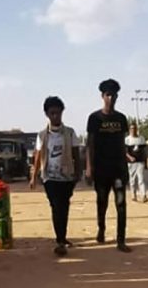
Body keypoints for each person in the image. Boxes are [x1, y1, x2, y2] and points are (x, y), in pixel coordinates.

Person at [31, 96, 83, 257]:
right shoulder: (41, 136)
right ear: (47, 114)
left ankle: (62, 236)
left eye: (58, 113)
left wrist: (79, 172)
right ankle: (60, 241)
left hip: (67, 177)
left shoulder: (70, 133)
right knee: (55, 206)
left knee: (64, 206)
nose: (55, 116)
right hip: (49, 178)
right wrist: (34, 176)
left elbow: (76, 154)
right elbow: (38, 157)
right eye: (52, 113)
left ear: (62, 113)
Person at [86, 79, 133, 253]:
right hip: (101, 169)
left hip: (118, 169)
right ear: (102, 96)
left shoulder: (121, 119)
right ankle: (101, 229)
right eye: (108, 95)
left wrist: (126, 166)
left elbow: (122, 143)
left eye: (114, 95)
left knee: (121, 203)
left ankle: (121, 240)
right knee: (102, 202)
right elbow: (90, 144)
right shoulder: (94, 118)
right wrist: (89, 168)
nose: (111, 98)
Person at [125, 122, 148, 202]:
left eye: (134, 128)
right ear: (129, 130)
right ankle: (133, 195)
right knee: (132, 180)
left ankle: (143, 195)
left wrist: (146, 162)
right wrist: (130, 157)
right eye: (131, 128)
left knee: (141, 179)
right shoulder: (127, 140)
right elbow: (125, 151)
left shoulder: (141, 138)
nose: (133, 130)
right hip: (131, 163)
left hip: (140, 161)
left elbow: (145, 151)